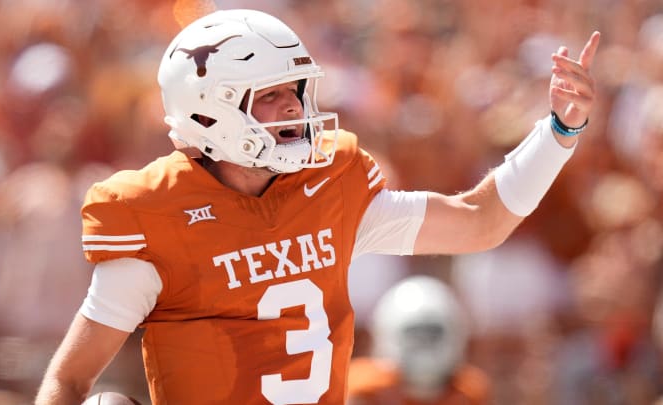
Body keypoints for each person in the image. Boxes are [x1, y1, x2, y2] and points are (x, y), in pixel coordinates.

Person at [35, 8, 600, 405]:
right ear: (209, 111)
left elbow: (481, 222)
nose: (293, 109)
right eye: (270, 96)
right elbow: (70, 380)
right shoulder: (156, 215)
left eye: (296, 91)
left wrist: (559, 130)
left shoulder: (330, 188)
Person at [347, 275, 489, 404]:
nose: (424, 347)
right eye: (417, 337)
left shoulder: (468, 390)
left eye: (431, 336)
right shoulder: (365, 387)